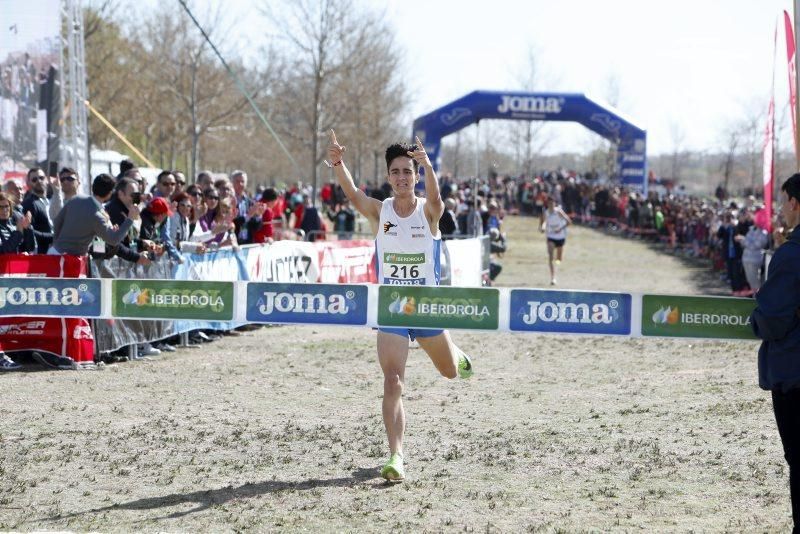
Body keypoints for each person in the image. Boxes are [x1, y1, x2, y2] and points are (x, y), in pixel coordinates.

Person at [327, 129, 473, 483]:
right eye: (396, 172)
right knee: (392, 382)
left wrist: (429, 165)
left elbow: (437, 199)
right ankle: (397, 455)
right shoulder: (381, 211)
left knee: (450, 373)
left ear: (416, 175)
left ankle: (453, 351)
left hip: (426, 307)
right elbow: (352, 193)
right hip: (391, 307)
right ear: (389, 177)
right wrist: (337, 163)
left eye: (408, 171)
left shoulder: (429, 211)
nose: (402, 177)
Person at [751, 173, 800, 533]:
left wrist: (756, 320)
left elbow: (771, 319)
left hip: (794, 373)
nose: (781, 209)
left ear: (794, 203)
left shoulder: (790, 256)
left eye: (782, 201)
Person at [50, 174, 140, 256]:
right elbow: (114, 240)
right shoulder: (98, 215)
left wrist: (57, 244)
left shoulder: (76, 198)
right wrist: (130, 219)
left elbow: (57, 222)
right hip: (69, 261)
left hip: (53, 252)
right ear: (109, 194)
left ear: (93, 186)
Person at [539, 196, 571, 285]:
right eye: (549, 203)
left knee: (559, 259)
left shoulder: (558, 212)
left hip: (560, 237)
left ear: (554, 203)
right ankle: (553, 278)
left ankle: (557, 266)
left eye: (552, 203)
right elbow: (544, 222)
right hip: (551, 236)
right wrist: (543, 227)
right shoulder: (546, 212)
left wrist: (560, 229)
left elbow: (569, 221)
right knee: (550, 257)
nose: (551, 205)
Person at [21, 167, 53, 254]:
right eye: (34, 179)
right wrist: (53, 237)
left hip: (54, 252)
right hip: (41, 256)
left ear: (46, 179)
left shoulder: (49, 201)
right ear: (28, 183)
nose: (39, 181)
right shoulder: (29, 203)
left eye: (41, 178)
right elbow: (29, 232)